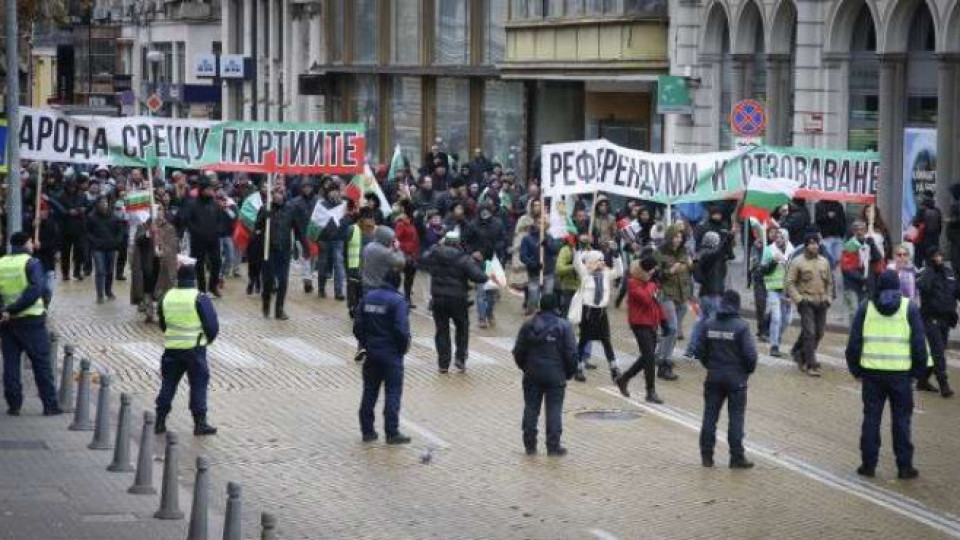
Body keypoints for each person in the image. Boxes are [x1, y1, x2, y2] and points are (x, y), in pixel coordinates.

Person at [845, 270, 926, 479]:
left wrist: (856, 369)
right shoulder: (909, 308)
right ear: (898, 286)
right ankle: (904, 467)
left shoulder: (866, 307)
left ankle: (868, 465)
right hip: (901, 375)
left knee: (871, 419)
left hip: (871, 374)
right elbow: (918, 344)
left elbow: (854, 343)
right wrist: (918, 372)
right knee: (901, 421)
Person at [692, 290, 757, 469]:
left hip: (713, 377)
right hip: (736, 380)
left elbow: (698, 350)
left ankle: (707, 456)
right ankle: (736, 457)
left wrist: (710, 365)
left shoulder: (708, 323)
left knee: (709, 416)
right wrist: (746, 372)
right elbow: (751, 356)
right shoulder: (742, 326)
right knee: (736, 418)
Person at [154, 258, 219, 436]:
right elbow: (212, 326)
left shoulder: (167, 297)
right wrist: (205, 340)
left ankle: (160, 420)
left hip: (172, 348)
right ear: (194, 279)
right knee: (198, 384)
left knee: (168, 383)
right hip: (194, 349)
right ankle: (200, 423)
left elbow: (163, 324)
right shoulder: (199, 297)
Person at [0, 232, 62, 416]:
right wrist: (14, 309)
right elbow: (37, 290)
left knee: (10, 365)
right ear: (25, 244)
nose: (32, 244)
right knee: (41, 364)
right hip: (31, 320)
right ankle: (50, 405)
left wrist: (4, 310)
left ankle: (14, 404)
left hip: (7, 322)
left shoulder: (1, 263)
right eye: (29, 241)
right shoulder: (31, 263)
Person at [513, 294, 578, 456]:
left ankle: (529, 445)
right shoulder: (564, 327)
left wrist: (525, 367)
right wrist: (567, 373)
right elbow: (571, 354)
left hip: (532, 373)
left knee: (531, 408)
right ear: (556, 307)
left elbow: (518, 351)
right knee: (554, 409)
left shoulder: (528, 325)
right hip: (556, 375)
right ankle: (553, 446)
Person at [354, 270, 412, 445]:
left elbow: (357, 326)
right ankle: (392, 432)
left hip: (372, 353)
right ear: (397, 283)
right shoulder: (398, 301)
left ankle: (367, 431)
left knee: (369, 391)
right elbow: (401, 330)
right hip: (391, 355)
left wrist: (366, 343)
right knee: (393, 392)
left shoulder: (368, 297)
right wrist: (401, 349)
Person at [418, 231, 489, 373]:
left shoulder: (435, 254)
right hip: (458, 300)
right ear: (458, 243)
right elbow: (479, 277)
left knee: (442, 331)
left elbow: (421, 260)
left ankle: (443, 363)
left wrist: (435, 246)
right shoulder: (463, 258)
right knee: (462, 329)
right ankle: (460, 359)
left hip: (438, 299)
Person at [571, 249, 624, 383]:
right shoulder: (585, 274)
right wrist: (577, 249)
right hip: (588, 312)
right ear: (592, 262)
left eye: (602, 260)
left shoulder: (606, 274)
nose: (602, 262)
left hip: (601, 313)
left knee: (606, 340)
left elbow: (619, 272)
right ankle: (579, 367)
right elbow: (577, 263)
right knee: (584, 340)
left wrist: (616, 256)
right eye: (599, 260)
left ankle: (614, 368)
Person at [616, 258, 665, 403]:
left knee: (647, 357)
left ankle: (624, 379)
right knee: (649, 357)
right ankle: (650, 391)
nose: (653, 272)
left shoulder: (648, 283)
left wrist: (664, 320)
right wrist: (652, 284)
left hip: (651, 323)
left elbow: (656, 303)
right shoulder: (633, 283)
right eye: (651, 270)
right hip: (639, 323)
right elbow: (645, 298)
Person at [785, 234, 833, 377]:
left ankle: (799, 352)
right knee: (810, 332)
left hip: (821, 302)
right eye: (811, 243)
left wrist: (828, 298)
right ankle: (810, 363)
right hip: (806, 302)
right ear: (806, 246)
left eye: (816, 243)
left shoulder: (824, 262)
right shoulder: (797, 262)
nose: (814, 246)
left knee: (819, 332)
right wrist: (798, 299)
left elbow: (830, 282)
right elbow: (789, 283)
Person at [684, 229, 735, 359]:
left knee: (701, 322)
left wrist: (729, 241)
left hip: (705, 293)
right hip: (713, 293)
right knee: (715, 324)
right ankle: (710, 351)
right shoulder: (710, 255)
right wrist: (729, 237)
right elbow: (720, 252)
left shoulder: (699, 254)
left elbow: (729, 254)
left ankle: (692, 349)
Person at [255, 186, 301, 320]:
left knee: (283, 280)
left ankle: (279, 309)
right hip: (268, 251)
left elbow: (297, 230)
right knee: (268, 281)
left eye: (280, 193)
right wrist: (264, 218)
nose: (278, 195)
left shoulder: (290, 209)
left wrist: (299, 245)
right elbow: (256, 229)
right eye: (275, 193)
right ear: (271, 194)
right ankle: (266, 304)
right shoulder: (265, 209)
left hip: (284, 250)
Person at [916, 247, 956, 398]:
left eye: (940, 255)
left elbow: (954, 290)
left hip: (946, 319)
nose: (939, 258)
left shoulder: (948, 272)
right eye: (935, 256)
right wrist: (931, 270)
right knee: (938, 352)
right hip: (930, 318)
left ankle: (922, 380)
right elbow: (922, 286)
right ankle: (944, 384)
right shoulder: (926, 272)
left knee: (938, 351)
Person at [654, 224, 691, 379]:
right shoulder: (660, 252)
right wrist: (670, 271)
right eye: (676, 236)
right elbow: (655, 275)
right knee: (672, 329)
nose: (678, 239)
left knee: (672, 331)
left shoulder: (684, 252)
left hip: (682, 295)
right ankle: (665, 364)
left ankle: (659, 354)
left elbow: (689, 271)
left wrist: (690, 264)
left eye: (680, 236)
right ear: (669, 237)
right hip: (666, 294)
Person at [178, 178, 224, 297]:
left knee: (217, 262)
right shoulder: (193, 204)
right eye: (208, 189)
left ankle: (213, 286)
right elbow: (187, 220)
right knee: (199, 265)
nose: (211, 192)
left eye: (211, 189)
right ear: (202, 190)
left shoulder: (215, 204)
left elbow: (220, 219)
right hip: (198, 239)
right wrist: (196, 231)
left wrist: (217, 230)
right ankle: (202, 288)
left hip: (213, 239)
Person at [760, 228, 794, 357]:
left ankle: (777, 337)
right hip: (773, 288)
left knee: (787, 320)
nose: (778, 239)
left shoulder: (793, 251)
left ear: (786, 238)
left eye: (781, 237)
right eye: (777, 237)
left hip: (788, 290)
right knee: (776, 317)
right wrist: (773, 261)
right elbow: (762, 270)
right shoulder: (769, 250)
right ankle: (774, 345)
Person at [841, 221, 882, 325]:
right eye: (857, 230)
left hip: (866, 285)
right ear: (853, 231)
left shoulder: (868, 243)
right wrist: (862, 278)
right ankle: (854, 336)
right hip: (852, 285)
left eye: (862, 230)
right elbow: (847, 269)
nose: (859, 232)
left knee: (865, 312)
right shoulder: (849, 246)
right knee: (854, 312)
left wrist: (872, 245)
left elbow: (877, 259)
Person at [86, 196, 125, 304]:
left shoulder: (114, 217)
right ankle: (100, 294)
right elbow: (87, 232)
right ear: (97, 204)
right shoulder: (91, 217)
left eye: (105, 203)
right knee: (100, 270)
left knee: (109, 271)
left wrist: (117, 241)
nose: (104, 205)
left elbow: (120, 231)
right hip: (97, 248)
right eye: (101, 203)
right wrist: (94, 241)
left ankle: (108, 291)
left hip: (111, 248)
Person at [910, 190, 942, 269]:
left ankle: (919, 277)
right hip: (934, 240)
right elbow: (940, 227)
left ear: (924, 197)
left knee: (918, 261)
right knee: (932, 260)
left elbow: (915, 223)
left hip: (921, 240)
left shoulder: (921, 209)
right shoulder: (937, 210)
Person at [815, 199, 847, 269]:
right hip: (826, 236)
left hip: (838, 236)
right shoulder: (820, 204)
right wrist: (827, 216)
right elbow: (817, 220)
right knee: (828, 259)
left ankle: (832, 275)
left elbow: (843, 220)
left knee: (837, 259)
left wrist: (843, 233)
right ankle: (829, 275)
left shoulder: (838, 205)